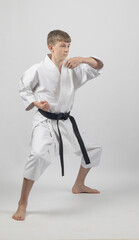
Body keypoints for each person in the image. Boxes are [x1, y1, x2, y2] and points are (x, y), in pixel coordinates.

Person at [12, 30, 104, 221]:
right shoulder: (38, 69)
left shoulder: (73, 68)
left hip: (65, 121)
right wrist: (37, 103)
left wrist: (83, 59)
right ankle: (22, 202)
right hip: (44, 122)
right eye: (63, 45)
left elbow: (99, 66)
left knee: (93, 148)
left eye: (69, 46)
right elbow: (23, 88)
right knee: (37, 155)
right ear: (51, 47)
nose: (67, 49)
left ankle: (78, 185)